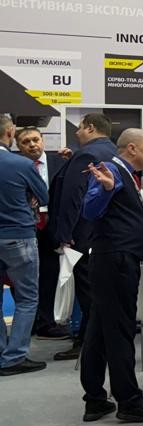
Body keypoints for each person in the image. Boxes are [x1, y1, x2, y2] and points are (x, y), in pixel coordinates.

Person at [79, 128, 143, 422]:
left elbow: (115, 212)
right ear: (132, 148)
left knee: (99, 328)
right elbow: (90, 211)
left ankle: (95, 398)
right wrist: (105, 189)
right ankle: (129, 401)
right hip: (115, 261)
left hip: (114, 258)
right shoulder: (112, 171)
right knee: (120, 329)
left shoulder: (128, 174)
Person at [48, 113, 117, 362]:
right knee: (101, 289)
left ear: (90, 128)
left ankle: (89, 341)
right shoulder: (113, 152)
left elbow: (72, 197)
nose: (76, 133)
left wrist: (65, 233)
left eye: (79, 128)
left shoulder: (86, 155)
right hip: (107, 234)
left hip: (83, 234)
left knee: (89, 291)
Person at [0, 114, 49, 376]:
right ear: (10, 133)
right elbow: (43, 196)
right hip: (18, 234)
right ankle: (14, 357)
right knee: (27, 298)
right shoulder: (21, 164)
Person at [14, 126, 69, 340]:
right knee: (23, 278)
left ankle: (46, 322)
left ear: (43, 140)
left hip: (51, 225)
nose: (32, 145)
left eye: (35, 140)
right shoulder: (15, 165)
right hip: (25, 225)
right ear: (18, 146)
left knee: (50, 274)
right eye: (26, 142)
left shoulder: (60, 162)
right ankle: (29, 322)